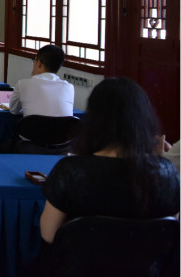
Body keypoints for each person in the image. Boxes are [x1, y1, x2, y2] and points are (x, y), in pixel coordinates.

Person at [38, 78, 179, 262]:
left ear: (94, 120)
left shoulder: (70, 171)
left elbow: (48, 235)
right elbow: (169, 236)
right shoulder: (167, 174)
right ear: (144, 120)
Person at [9, 45, 74, 117]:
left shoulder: (22, 85)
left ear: (39, 63)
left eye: (34, 60)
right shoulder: (69, 87)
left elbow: (13, 110)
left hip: (33, 124)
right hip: (63, 125)